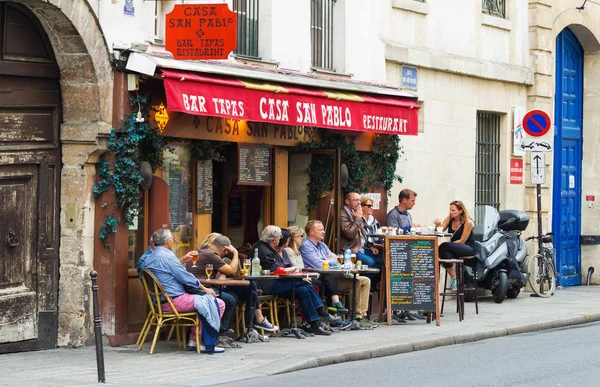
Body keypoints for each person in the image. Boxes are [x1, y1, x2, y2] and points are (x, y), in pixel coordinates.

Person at [143, 228, 226, 353]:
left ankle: (194, 340)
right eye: (172, 239)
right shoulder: (168, 256)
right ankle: (204, 342)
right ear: (168, 242)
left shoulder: (149, 257)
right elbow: (186, 278)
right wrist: (205, 289)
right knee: (218, 303)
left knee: (204, 302)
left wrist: (181, 261)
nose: (173, 241)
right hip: (174, 301)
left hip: (161, 302)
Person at [187, 232, 278, 335]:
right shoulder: (211, 254)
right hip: (201, 290)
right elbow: (232, 271)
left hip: (203, 287)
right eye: (227, 252)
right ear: (224, 249)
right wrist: (235, 252)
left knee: (249, 288)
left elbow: (222, 271)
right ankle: (227, 330)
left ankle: (251, 325)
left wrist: (222, 273)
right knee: (232, 298)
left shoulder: (205, 251)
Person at [252, 225, 334, 336]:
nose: (280, 239)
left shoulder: (270, 248)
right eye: (279, 237)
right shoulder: (262, 249)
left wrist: (293, 271)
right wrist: (295, 271)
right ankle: (320, 311)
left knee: (304, 289)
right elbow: (276, 270)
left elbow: (282, 267)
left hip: (277, 282)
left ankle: (314, 324)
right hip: (266, 284)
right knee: (303, 283)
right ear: (274, 239)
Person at [300, 220, 377, 328]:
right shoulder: (306, 246)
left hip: (332, 279)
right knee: (335, 276)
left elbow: (336, 259)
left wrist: (328, 260)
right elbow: (319, 265)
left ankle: (360, 317)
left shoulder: (322, 245)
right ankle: (343, 313)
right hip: (320, 280)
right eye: (320, 229)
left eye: (323, 229)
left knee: (364, 280)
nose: (323, 231)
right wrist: (329, 260)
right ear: (311, 232)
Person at [282, 228, 351, 329]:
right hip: (299, 278)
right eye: (300, 236)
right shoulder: (291, 250)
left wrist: (328, 260)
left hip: (305, 276)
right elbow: (310, 265)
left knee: (326, 279)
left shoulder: (302, 250)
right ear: (293, 238)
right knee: (321, 282)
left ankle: (328, 314)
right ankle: (324, 314)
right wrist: (304, 277)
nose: (302, 238)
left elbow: (336, 259)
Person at [434, 200, 478, 290]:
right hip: (453, 248)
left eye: (453, 210)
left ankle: (435, 258)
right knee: (445, 254)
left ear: (460, 211)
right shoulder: (449, 218)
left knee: (444, 246)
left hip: (468, 248)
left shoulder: (468, 222)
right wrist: (437, 225)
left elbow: (462, 241)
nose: (451, 212)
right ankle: (455, 279)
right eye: (450, 210)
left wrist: (449, 245)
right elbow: (439, 232)